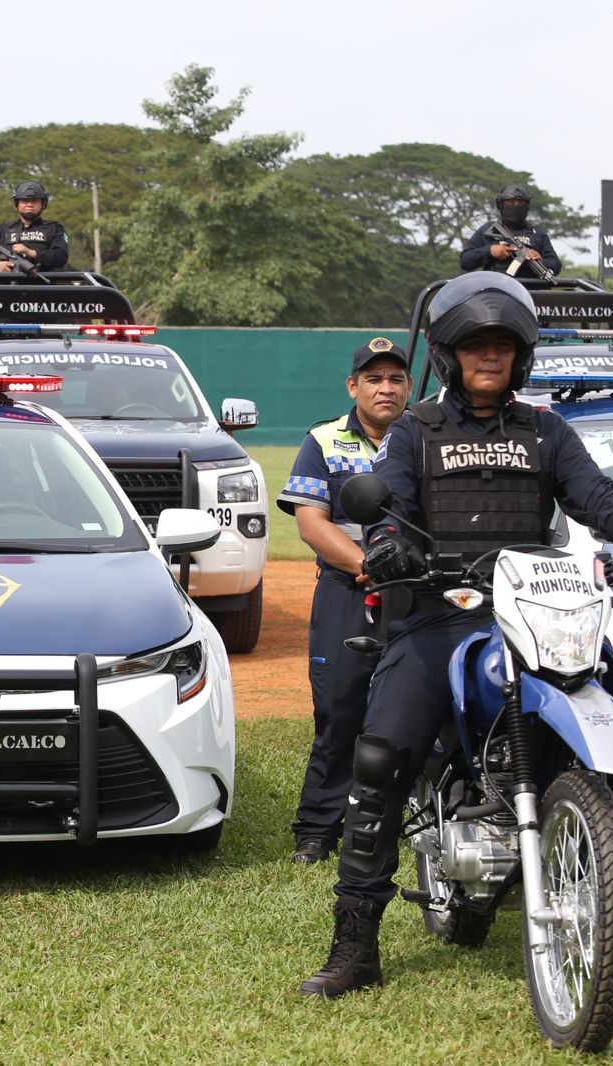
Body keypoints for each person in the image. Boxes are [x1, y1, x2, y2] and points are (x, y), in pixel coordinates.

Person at [297, 272, 613, 998]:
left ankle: (607, 863)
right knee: (384, 757)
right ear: (451, 355)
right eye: (476, 346)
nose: (491, 357)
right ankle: (354, 943)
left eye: (504, 347)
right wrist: (389, 545)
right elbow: (389, 506)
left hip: (535, 602)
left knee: (611, 687)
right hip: (435, 605)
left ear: (523, 357)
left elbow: (599, 500)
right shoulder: (418, 428)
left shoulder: (546, 430)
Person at [277, 337, 410, 865]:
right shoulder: (324, 439)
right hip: (346, 591)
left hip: (412, 593)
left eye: (395, 379)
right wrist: (367, 566)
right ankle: (318, 827)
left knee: (413, 712)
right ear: (353, 386)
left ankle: (402, 820)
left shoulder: (423, 438)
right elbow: (312, 523)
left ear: (407, 387)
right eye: (374, 379)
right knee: (338, 708)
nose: (385, 388)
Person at [459, 183, 561, 278]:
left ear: (527, 207)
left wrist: (540, 260)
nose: (516, 206)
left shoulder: (537, 234)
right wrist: (490, 251)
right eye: (511, 203)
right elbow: (465, 261)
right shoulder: (487, 231)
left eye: (520, 203)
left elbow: (555, 265)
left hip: (531, 290)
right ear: (501, 205)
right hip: (499, 289)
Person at [0, 181, 69, 274]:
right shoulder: (3, 230)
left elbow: (61, 257)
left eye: (34, 201)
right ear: (17, 204)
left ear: (43, 203)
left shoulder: (54, 228)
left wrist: (31, 253)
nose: (29, 204)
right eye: (24, 201)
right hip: (9, 286)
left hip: (44, 286)